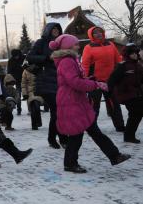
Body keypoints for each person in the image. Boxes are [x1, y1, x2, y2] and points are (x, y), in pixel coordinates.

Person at [49, 34, 130, 173]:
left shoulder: (70, 59)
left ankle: (114, 156)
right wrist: (94, 84)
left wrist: (89, 79)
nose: (78, 46)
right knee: (77, 134)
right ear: (68, 46)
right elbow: (74, 82)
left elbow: (76, 79)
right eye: (75, 44)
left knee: (93, 131)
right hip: (71, 101)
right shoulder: (67, 61)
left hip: (76, 100)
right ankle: (70, 164)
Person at [27, 23, 67, 149]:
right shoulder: (41, 42)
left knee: (60, 111)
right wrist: (47, 57)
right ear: (48, 30)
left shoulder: (62, 42)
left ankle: (56, 138)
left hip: (61, 80)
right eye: (53, 29)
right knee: (56, 111)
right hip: (45, 81)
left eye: (58, 29)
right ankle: (58, 138)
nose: (56, 31)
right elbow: (30, 57)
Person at [82, 26, 125, 131]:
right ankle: (91, 127)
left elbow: (118, 60)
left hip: (110, 80)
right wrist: (85, 79)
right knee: (94, 105)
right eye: (95, 33)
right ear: (91, 35)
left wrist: (122, 70)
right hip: (95, 81)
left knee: (114, 104)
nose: (98, 34)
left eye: (100, 32)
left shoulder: (110, 44)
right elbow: (85, 65)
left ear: (103, 33)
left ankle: (120, 126)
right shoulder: (88, 47)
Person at [108, 43, 143, 143]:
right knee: (136, 113)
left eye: (136, 53)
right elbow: (112, 80)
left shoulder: (138, 65)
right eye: (132, 54)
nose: (135, 55)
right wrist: (109, 92)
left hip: (137, 93)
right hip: (126, 94)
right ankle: (128, 136)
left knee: (136, 114)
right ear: (127, 55)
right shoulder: (122, 66)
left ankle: (129, 136)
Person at [21, 61, 43, 130]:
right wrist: (24, 94)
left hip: (39, 91)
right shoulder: (25, 71)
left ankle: (37, 122)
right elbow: (23, 83)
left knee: (36, 106)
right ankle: (34, 124)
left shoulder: (40, 68)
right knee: (34, 107)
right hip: (30, 92)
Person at [7, 49, 25, 115]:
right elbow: (9, 71)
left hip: (25, 79)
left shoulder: (24, 58)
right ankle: (19, 108)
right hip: (17, 80)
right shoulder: (11, 61)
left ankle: (31, 108)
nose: (16, 57)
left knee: (28, 93)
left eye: (17, 56)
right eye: (15, 56)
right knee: (18, 94)